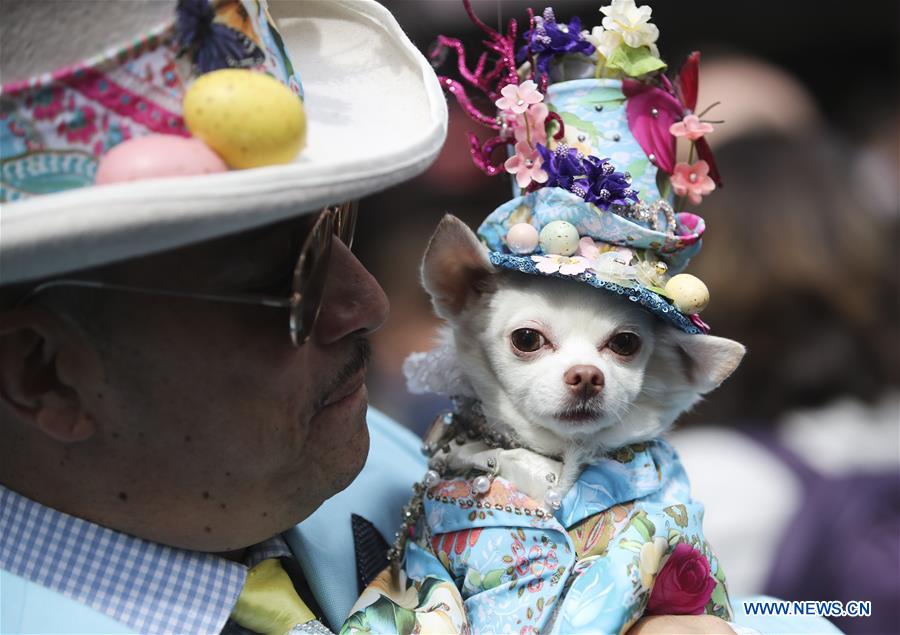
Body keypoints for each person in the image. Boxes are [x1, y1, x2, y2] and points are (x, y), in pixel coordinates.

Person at [0, 2, 837, 634]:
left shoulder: (381, 463)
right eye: (284, 279)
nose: (365, 300)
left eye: (339, 228)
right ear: (44, 372)